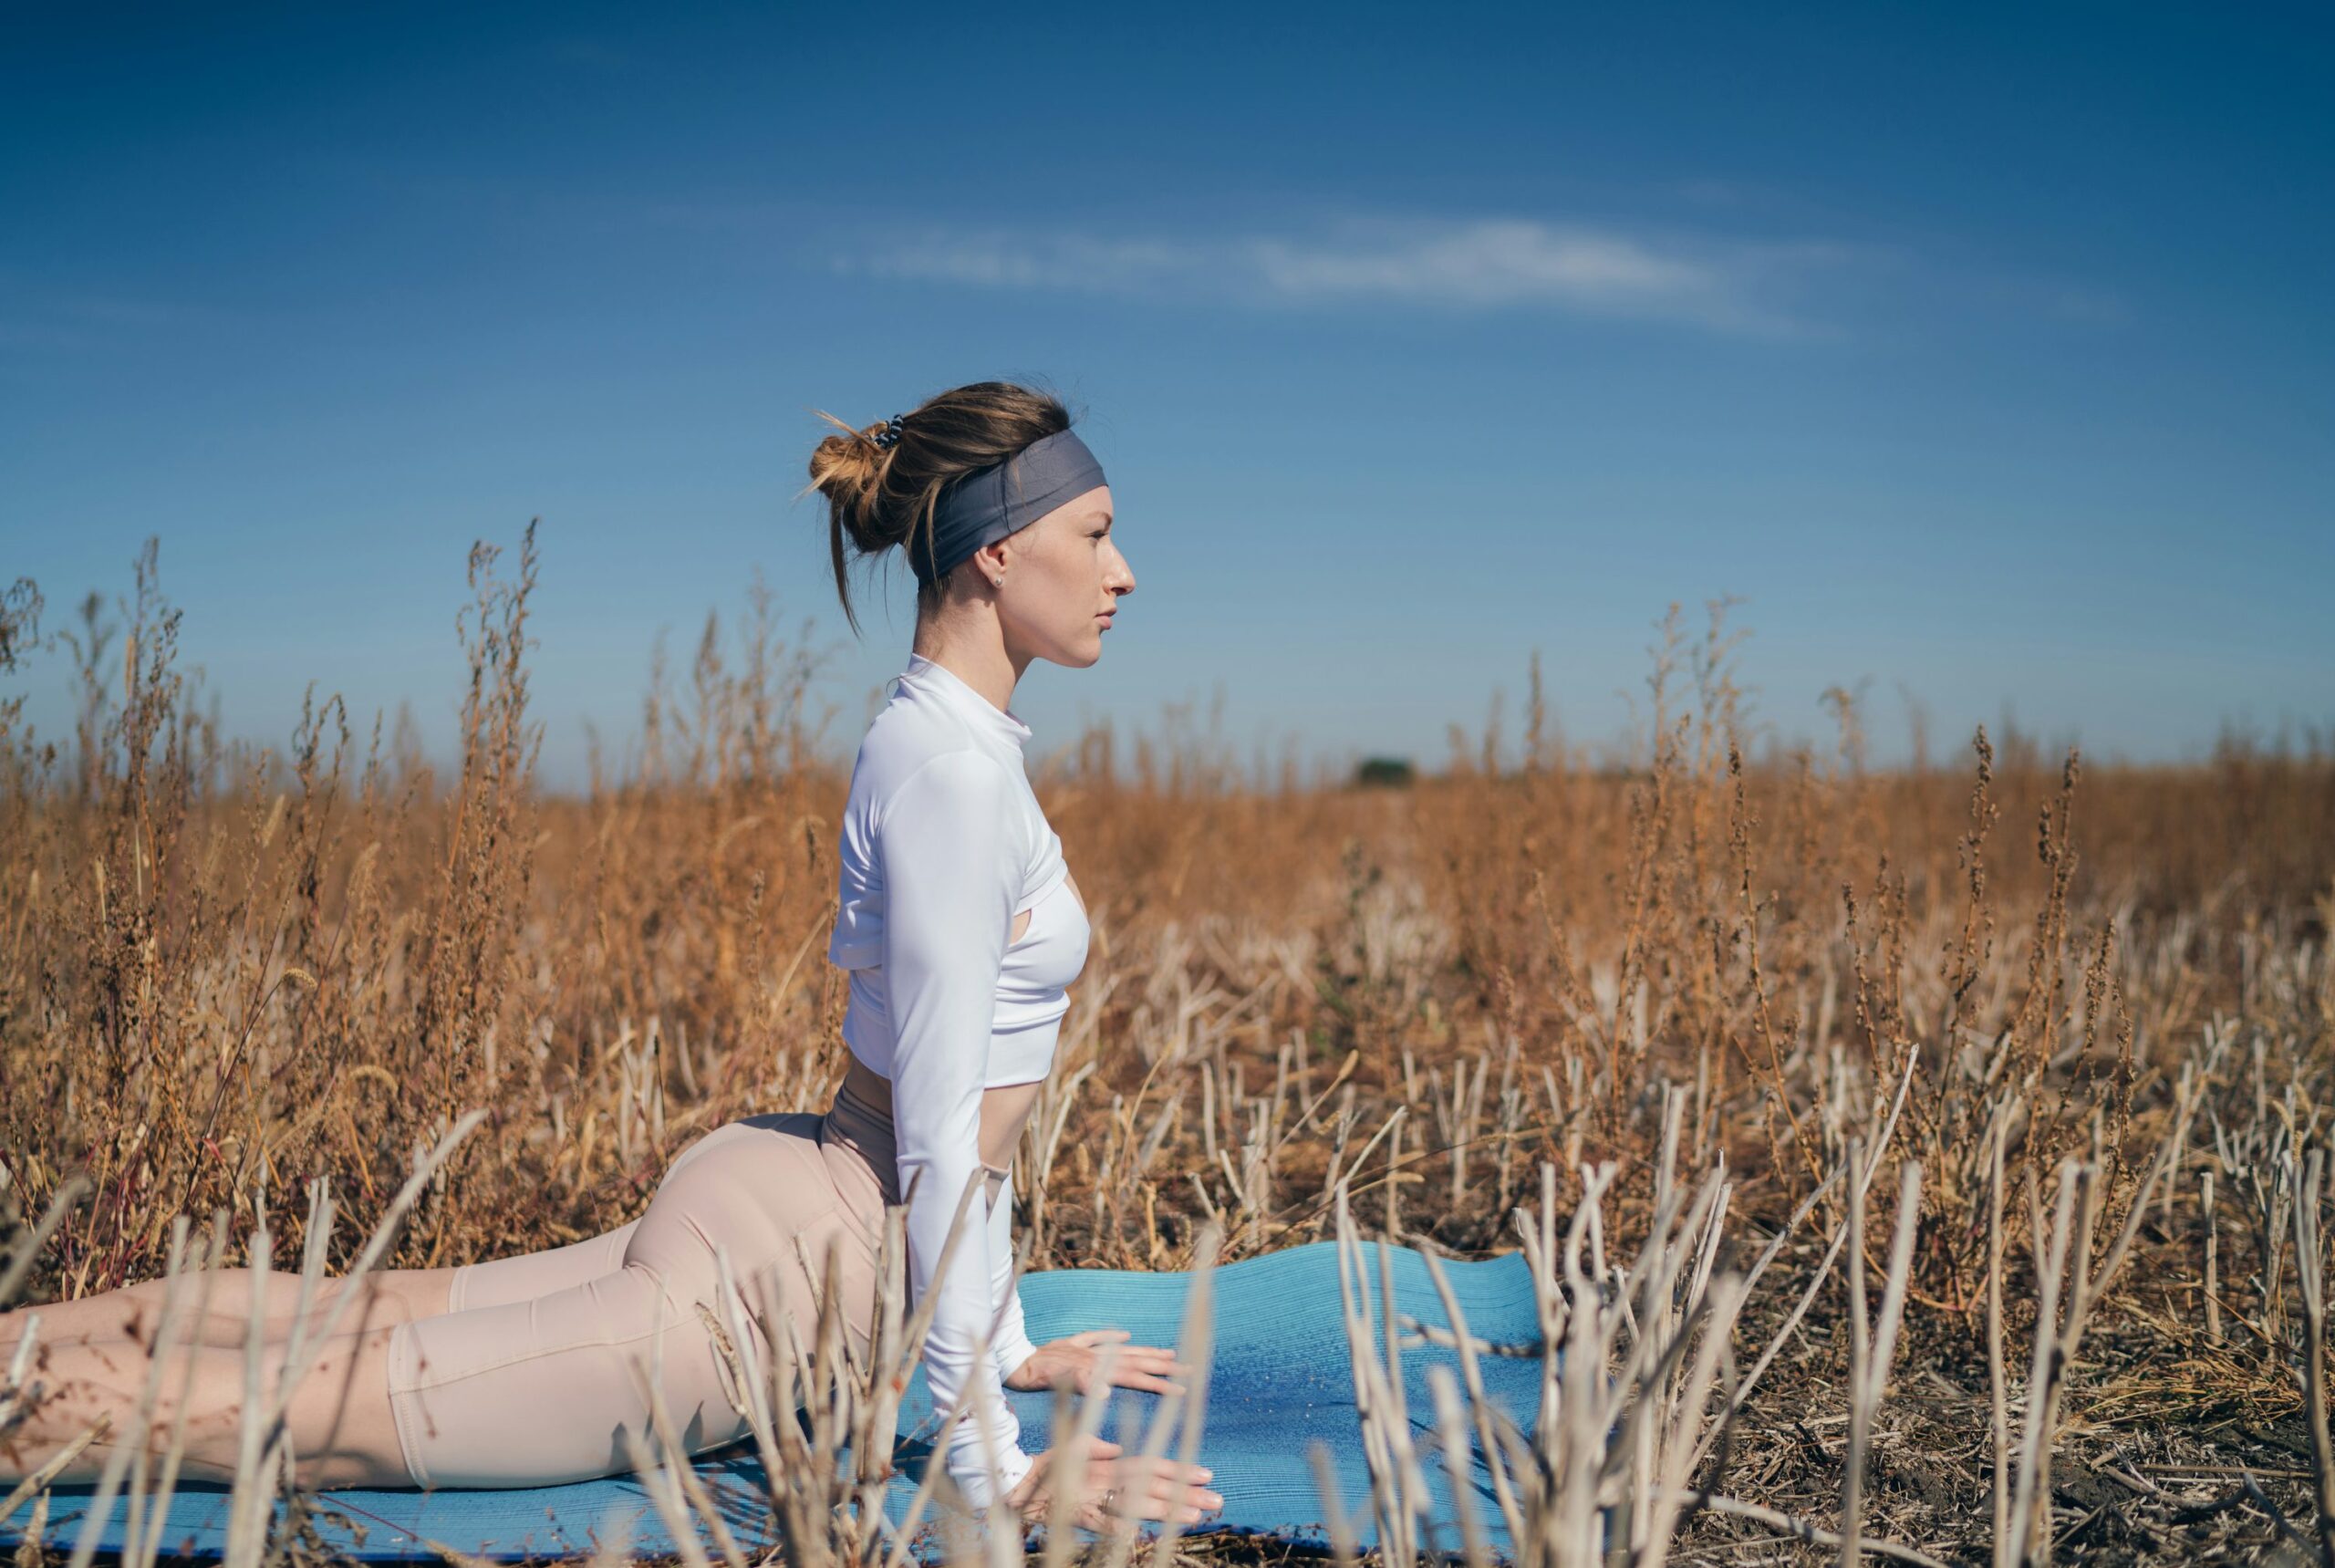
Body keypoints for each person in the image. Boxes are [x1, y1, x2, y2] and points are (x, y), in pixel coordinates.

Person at [0, 379, 1222, 1533]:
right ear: (998, 551)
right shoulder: (957, 777)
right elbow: (946, 1139)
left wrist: (1008, 1348)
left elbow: (968, 1105)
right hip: (799, 1272)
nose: (1125, 571)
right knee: (298, 1414)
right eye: (1098, 532)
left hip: (790, 1183)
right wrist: (994, 1463)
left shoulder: (943, 740)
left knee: (338, 1319)